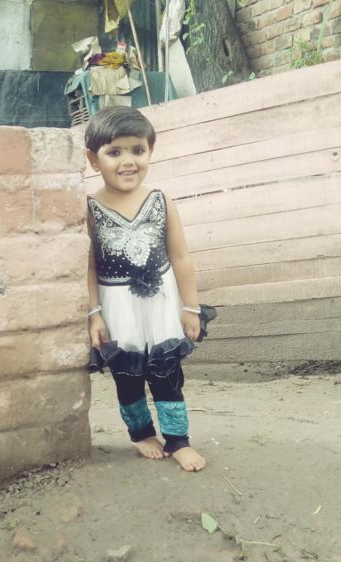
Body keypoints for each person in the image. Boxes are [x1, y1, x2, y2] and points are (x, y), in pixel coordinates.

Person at [85, 105, 206, 472]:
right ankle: (140, 433)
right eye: (114, 152)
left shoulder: (161, 201)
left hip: (162, 303)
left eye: (137, 150)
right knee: (128, 376)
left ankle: (178, 439)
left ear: (150, 151)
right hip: (117, 306)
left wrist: (191, 307)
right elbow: (88, 266)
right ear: (93, 160)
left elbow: (181, 257)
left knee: (166, 372)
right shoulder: (90, 209)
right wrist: (94, 314)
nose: (128, 161)